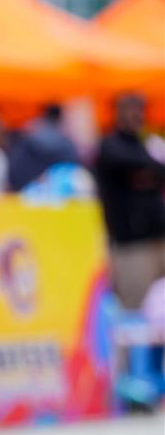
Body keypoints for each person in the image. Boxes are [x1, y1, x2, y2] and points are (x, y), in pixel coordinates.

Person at [94, 93, 165, 310]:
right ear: (118, 113)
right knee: (135, 308)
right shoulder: (110, 145)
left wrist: (148, 172)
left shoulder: (144, 144)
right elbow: (130, 164)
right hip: (130, 243)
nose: (136, 116)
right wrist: (149, 170)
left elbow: (159, 171)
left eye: (139, 111)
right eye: (131, 110)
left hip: (157, 236)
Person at [8, 103, 80, 192]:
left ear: (43, 115)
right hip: (58, 191)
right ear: (60, 117)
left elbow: (16, 166)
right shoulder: (66, 142)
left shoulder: (27, 136)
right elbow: (73, 167)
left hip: (27, 188)